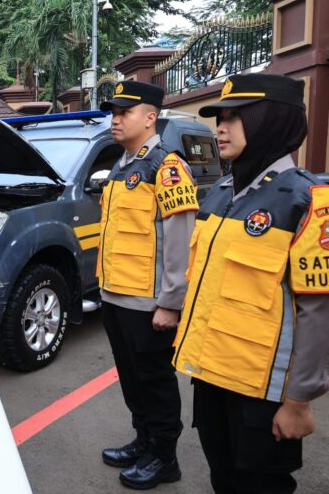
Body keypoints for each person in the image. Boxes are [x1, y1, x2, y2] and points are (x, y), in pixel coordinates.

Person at [173, 74, 329, 494]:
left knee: (260, 485)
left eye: (235, 117)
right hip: (209, 376)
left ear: (271, 121)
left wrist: (298, 401)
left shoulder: (309, 202)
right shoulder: (221, 193)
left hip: (263, 394)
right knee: (222, 478)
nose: (220, 127)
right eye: (219, 117)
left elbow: (317, 314)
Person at [96, 81, 199, 489]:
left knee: (154, 380)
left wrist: (171, 302)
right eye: (114, 112)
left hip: (148, 301)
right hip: (115, 295)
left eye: (125, 112)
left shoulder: (167, 166)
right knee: (131, 377)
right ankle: (144, 440)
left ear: (151, 117)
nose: (116, 119)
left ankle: (164, 456)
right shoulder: (123, 166)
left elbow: (179, 238)